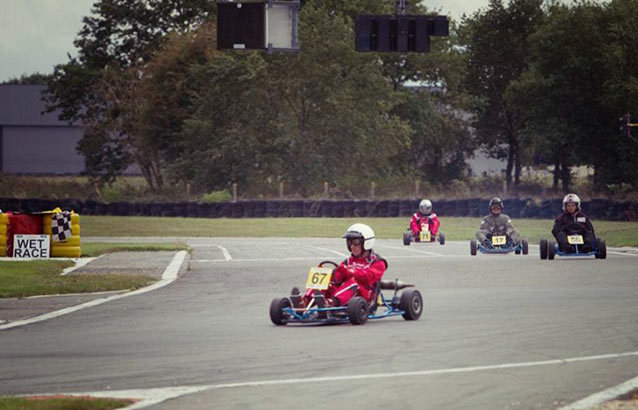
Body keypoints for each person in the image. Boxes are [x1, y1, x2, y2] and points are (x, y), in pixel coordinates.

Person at [298, 223, 387, 308]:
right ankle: (305, 301)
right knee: (326, 281)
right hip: (344, 295)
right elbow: (338, 277)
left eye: (356, 242)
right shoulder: (348, 261)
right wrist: (329, 275)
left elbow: (368, 278)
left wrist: (350, 272)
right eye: (350, 242)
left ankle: (331, 303)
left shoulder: (378, 262)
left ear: (367, 242)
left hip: (364, 297)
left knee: (353, 283)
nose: (352, 246)